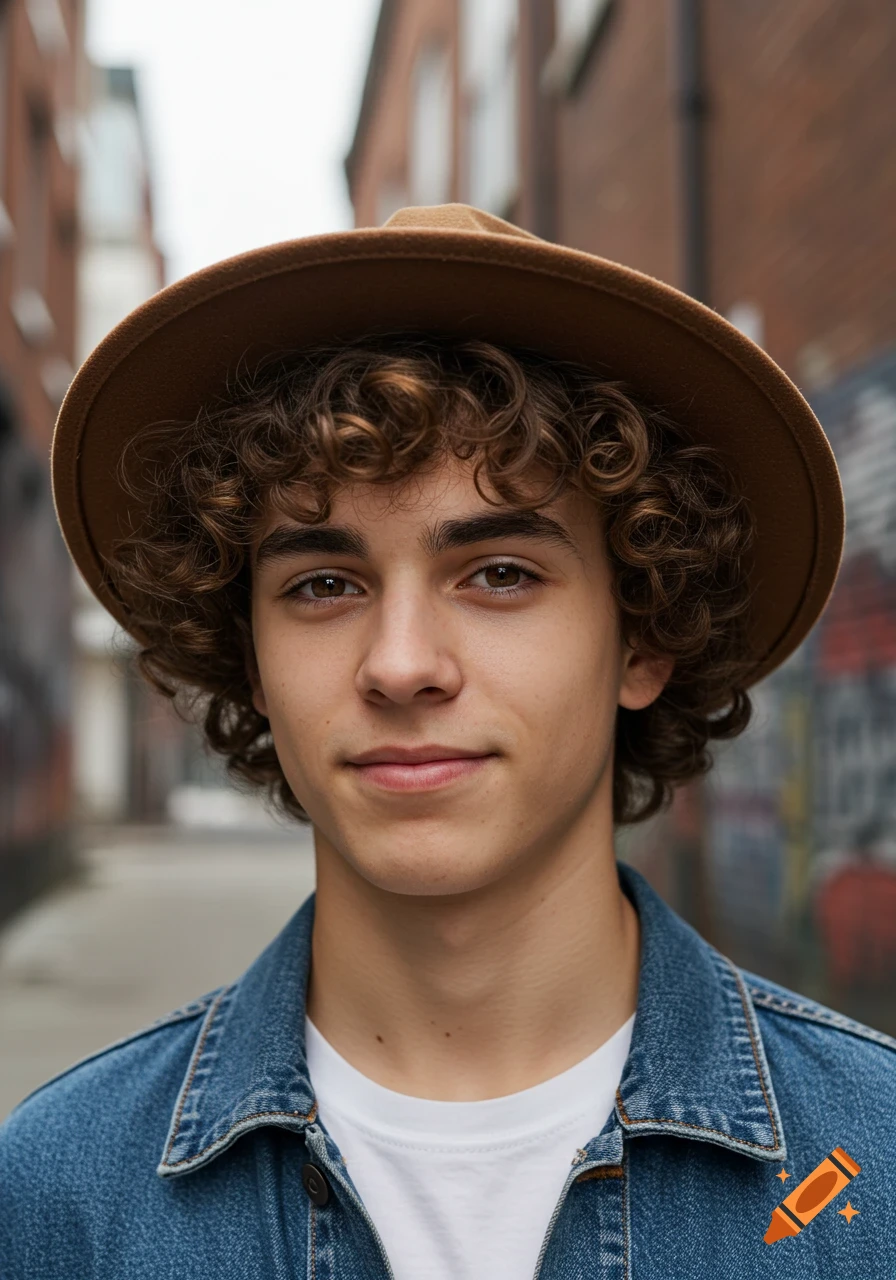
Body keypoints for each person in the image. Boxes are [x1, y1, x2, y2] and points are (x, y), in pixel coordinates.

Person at [1, 203, 893, 1277]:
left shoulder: (867, 1172)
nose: (400, 661)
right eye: (322, 583)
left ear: (641, 635)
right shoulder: (57, 1196)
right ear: (251, 657)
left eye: (500, 572)